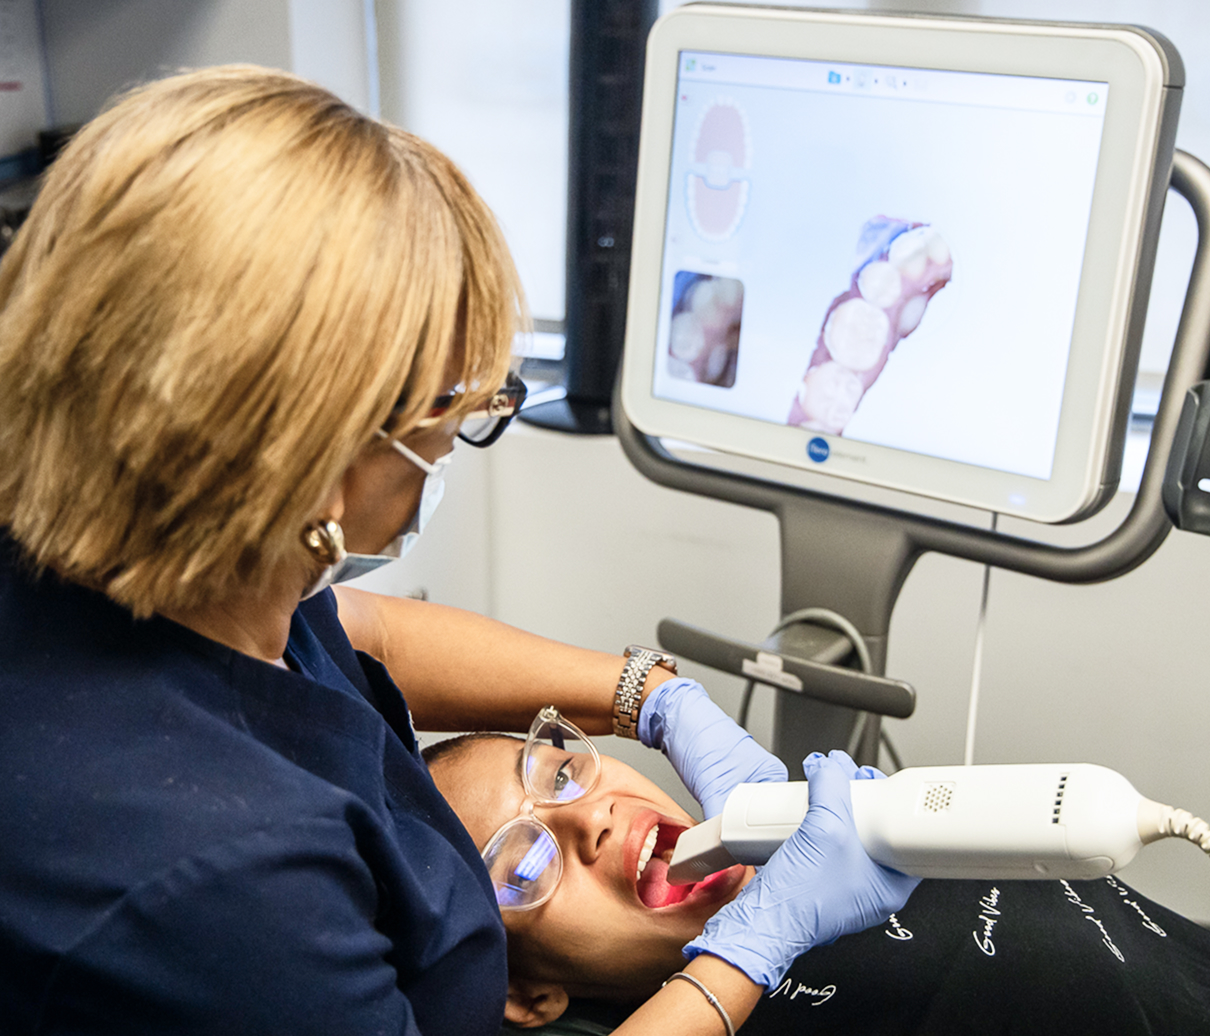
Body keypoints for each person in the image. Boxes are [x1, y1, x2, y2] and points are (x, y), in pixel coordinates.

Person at [0, 67, 910, 1035]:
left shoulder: (181, 555)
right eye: (453, 407)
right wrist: (749, 950)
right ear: (312, 470)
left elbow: (364, 632)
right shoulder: (223, 882)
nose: (459, 432)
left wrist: (651, 697)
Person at [425, 723, 1210, 1036]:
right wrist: (744, 956)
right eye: (525, 864)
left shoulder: (843, 840)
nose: (587, 818)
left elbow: (1120, 960)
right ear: (530, 995)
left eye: (560, 771)